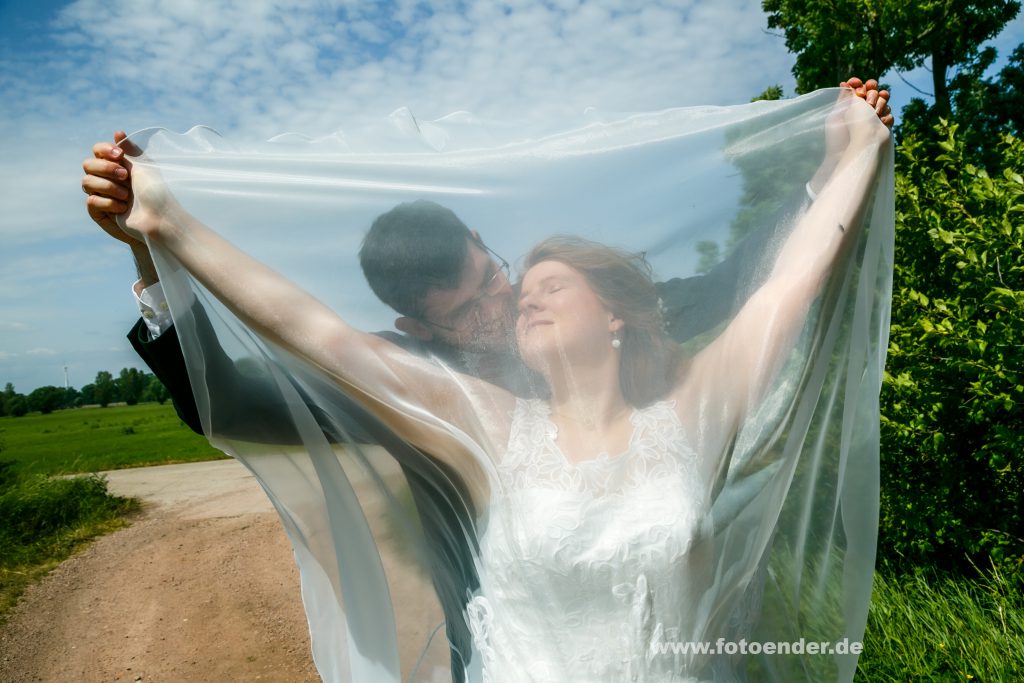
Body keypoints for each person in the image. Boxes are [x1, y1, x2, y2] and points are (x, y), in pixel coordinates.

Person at [90, 82, 891, 680]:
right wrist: (157, 241)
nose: (510, 303)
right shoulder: (444, 401)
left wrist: (840, 163)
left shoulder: (647, 358)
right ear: (418, 329)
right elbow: (263, 367)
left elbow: (766, 286)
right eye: (475, 308)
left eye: (502, 276)